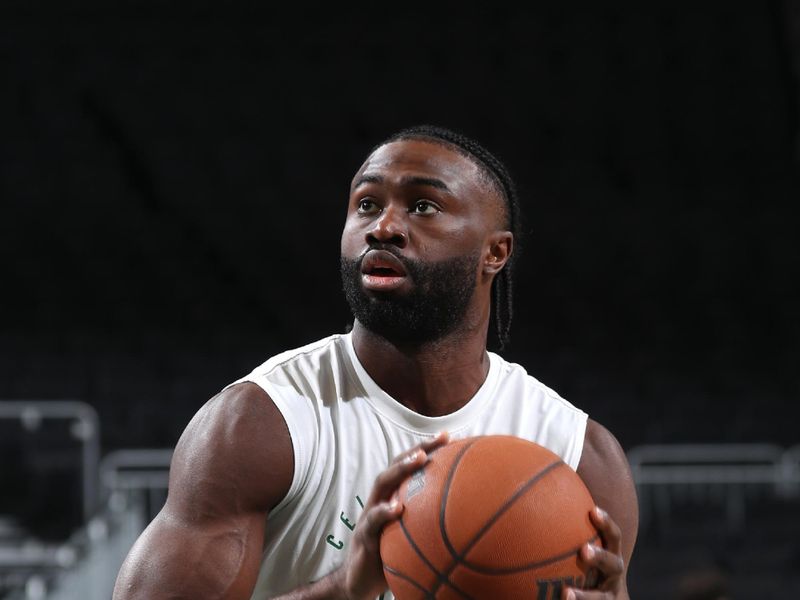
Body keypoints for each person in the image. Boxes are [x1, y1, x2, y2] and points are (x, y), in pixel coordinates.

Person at [112, 125, 639, 599]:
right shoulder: (262, 424)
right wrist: (344, 590)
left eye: (423, 207)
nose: (383, 226)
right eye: (366, 205)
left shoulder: (579, 457)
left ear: (495, 253)